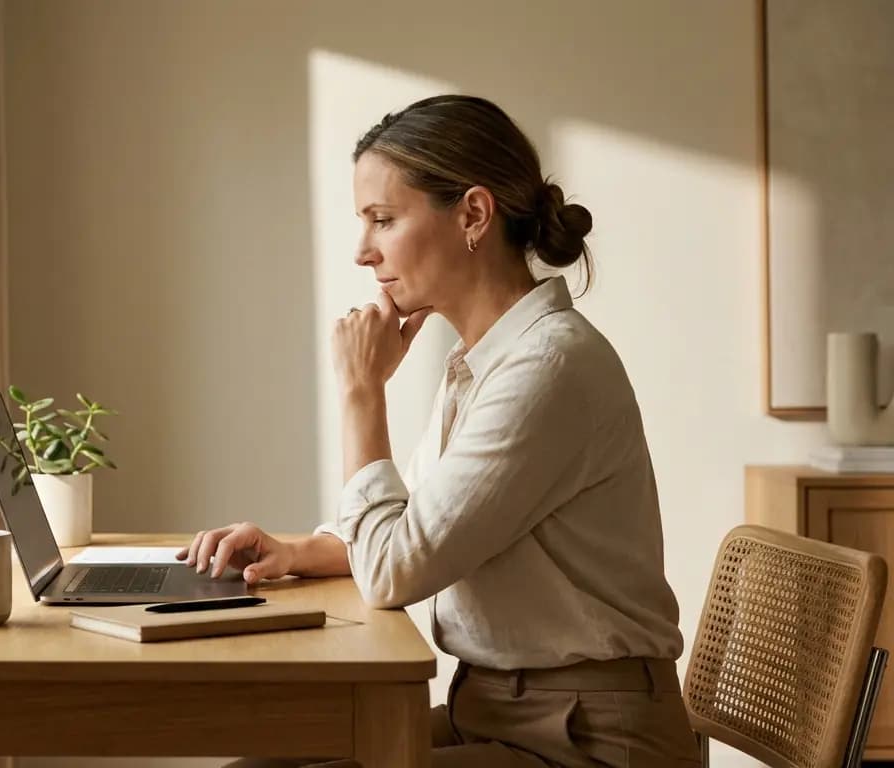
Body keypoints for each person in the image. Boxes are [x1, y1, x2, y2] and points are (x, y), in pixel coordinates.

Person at [178, 95, 700, 768]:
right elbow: (422, 520)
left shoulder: (547, 368)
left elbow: (396, 569)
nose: (363, 252)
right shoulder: (487, 362)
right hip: (494, 712)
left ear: (473, 215)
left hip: (589, 742)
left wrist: (362, 393)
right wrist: (301, 550)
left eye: (383, 220)